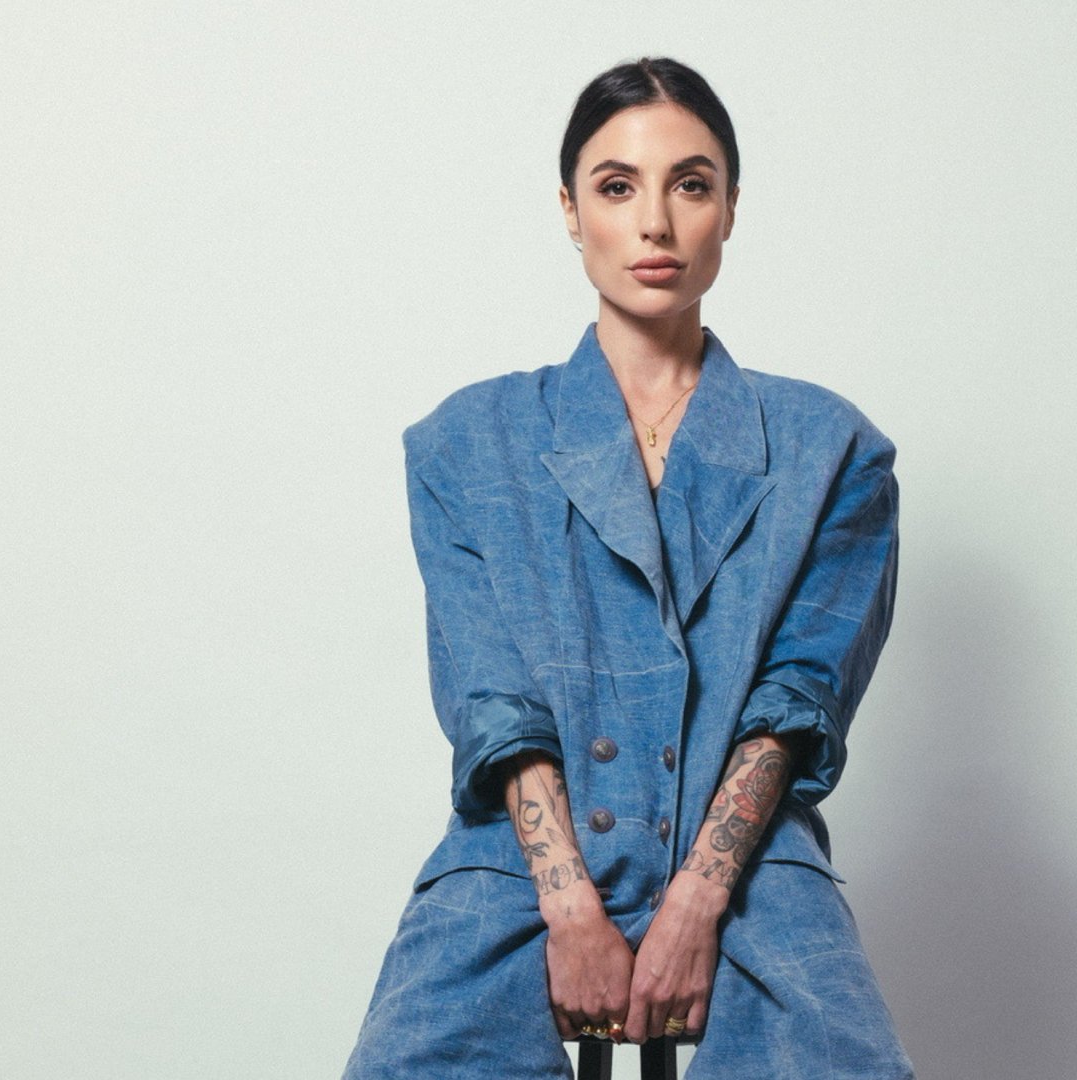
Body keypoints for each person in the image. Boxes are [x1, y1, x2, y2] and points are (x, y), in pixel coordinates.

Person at [343, 57, 914, 1079]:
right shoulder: (464, 443)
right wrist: (571, 909)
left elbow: (797, 703)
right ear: (570, 210)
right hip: (518, 865)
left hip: (746, 869)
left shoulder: (834, 449)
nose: (655, 223)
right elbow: (493, 702)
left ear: (730, 208)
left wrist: (696, 901)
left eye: (690, 184)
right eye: (617, 186)